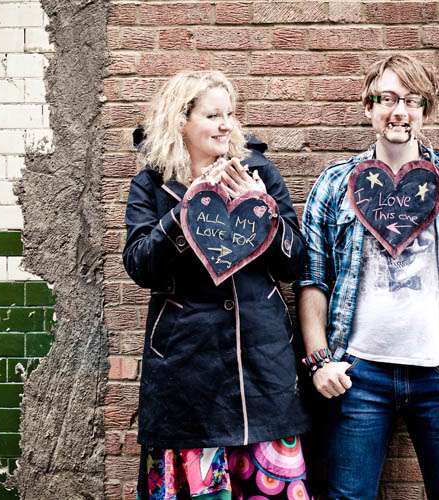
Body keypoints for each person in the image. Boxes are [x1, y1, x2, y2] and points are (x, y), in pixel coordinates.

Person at [297, 55, 439, 499]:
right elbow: (313, 278)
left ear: (425, 110)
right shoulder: (334, 183)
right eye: (387, 99)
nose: (399, 111)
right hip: (357, 376)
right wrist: (319, 361)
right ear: (368, 107)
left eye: (412, 101)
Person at [123, 70, 312, 499]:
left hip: (260, 372)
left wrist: (262, 209)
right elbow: (140, 266)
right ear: (181, 121)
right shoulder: (153, 184)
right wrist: (185, 210)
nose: (226, 125)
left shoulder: (258, 172)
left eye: (230, 114)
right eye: (212, 116)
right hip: (186, 373)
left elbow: (294, 262)